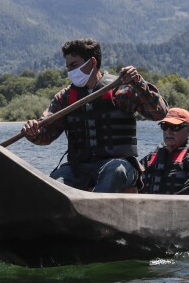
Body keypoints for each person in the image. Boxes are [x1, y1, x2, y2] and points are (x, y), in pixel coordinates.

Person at [22, 38, 168, 193]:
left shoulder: (121, 90)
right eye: (68, 67)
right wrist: (34, 132)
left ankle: (95, 212)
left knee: (114, 171)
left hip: (119, 165)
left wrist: (139, 84)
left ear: (92, 62)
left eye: (74, 65)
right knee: (54, 183)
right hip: (78, 168)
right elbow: (46, 134)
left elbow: (159, 113)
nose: (70, 72)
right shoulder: (64, 98)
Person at [139, 107, 189, 195]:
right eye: (164, 126)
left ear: (188, 130)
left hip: (178, 208)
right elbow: (135, 181)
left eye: (174, 127)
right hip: (147, 207)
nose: (168, 132)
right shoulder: (151, 157)